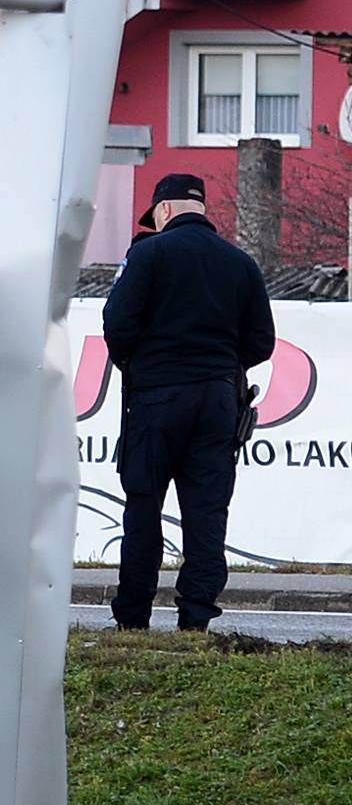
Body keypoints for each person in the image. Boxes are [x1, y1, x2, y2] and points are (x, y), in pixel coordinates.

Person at [101, 169, 275, 633]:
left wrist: (143, 369)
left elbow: (117, 325)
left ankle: (133, 618)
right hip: (218, 401)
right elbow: (262, 342)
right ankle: (196, 618)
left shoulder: (148, 254)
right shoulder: (240, 263)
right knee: (206, 511)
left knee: (143, 507)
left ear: (164, 209)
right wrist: (218, 369)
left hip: (157, 400)